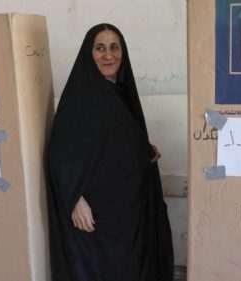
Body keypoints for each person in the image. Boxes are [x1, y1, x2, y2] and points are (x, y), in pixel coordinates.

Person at [46, 23, 174, 281]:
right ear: (88, 53)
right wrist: (74, 199)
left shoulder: (124, 92)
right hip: (94, 215)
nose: (108, 55)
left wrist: (144, 151)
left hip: (128, 212)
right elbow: (59, 155)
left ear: (123, 52)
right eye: (100, 48)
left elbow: (116, 139)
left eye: (115, 47)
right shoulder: (79, 98)